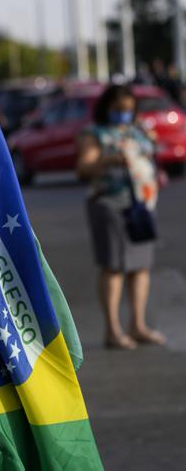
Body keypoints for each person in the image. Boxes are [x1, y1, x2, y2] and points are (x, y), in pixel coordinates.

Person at [76, 84, 167, 349]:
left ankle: (138, 325)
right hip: (110, 205)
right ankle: (113, 331)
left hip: (142, 204)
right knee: (113, 266)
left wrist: (150, 141)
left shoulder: (136, 130)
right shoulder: (94, 134)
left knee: (141, 266)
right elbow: (83, 168)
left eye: (128, 109)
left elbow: (153, 153)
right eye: (118, 110)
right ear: (106, 108)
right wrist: (108, 161)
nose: (123, 114)